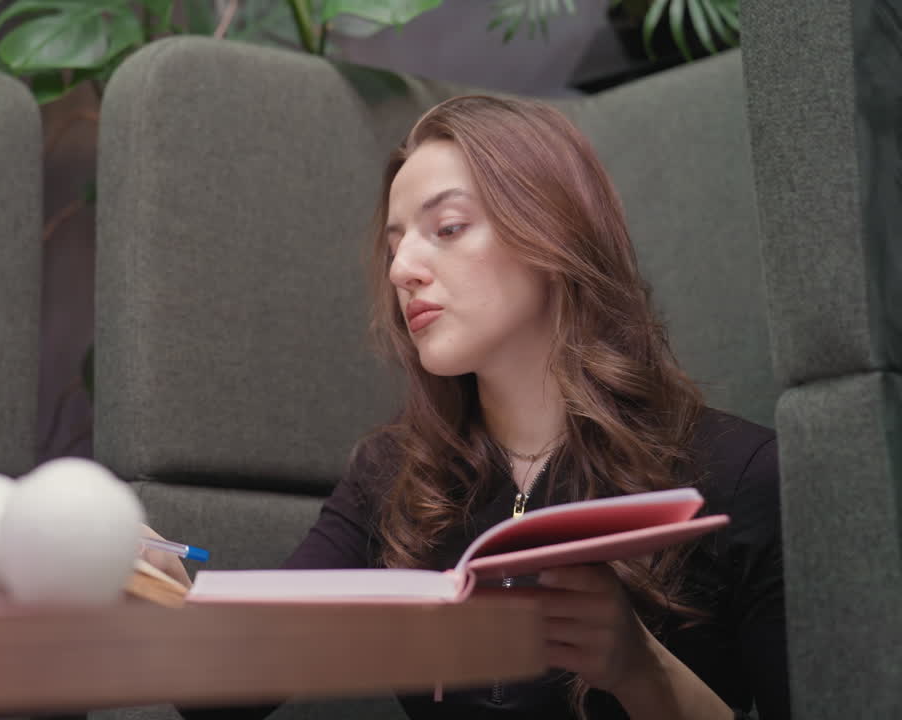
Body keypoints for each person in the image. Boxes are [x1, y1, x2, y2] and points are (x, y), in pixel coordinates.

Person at [148, 95, 787, 720]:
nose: (402, 269)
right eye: (395, 244)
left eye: (447, 229)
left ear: (553, 230)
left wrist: (642, 672)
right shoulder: (392, 477)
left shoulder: (739, 472)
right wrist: (158, 590)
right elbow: (225, 695)